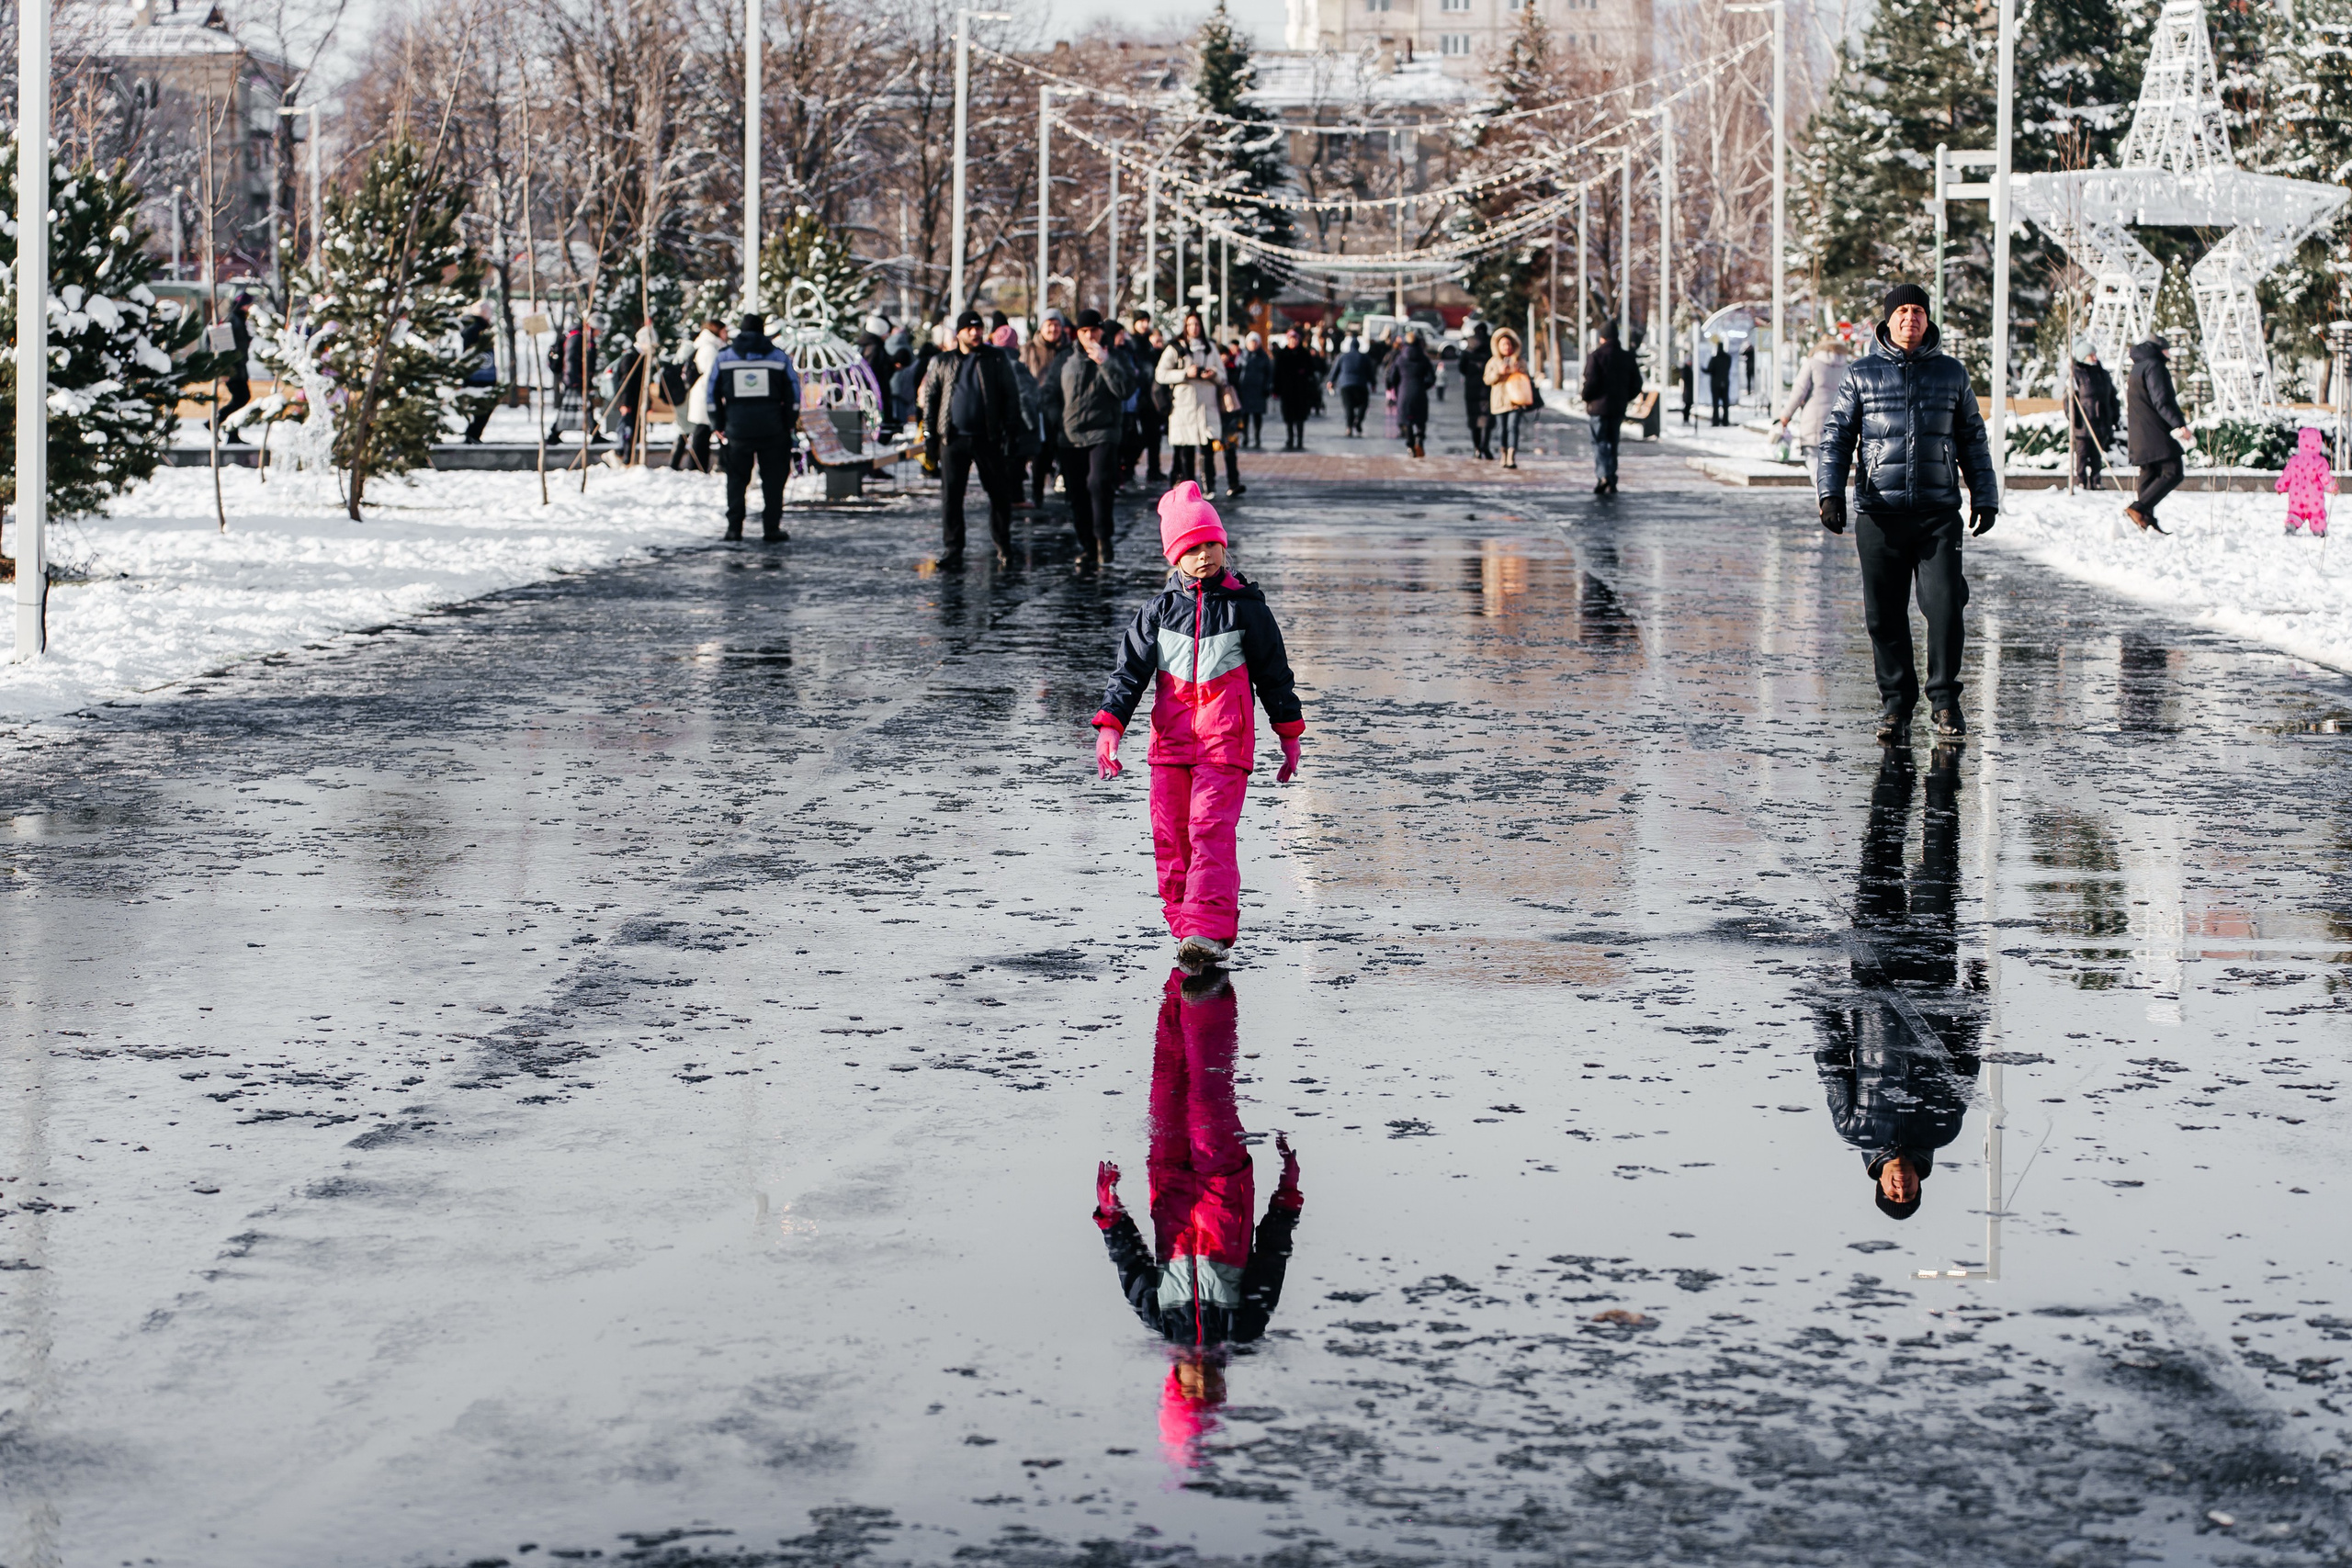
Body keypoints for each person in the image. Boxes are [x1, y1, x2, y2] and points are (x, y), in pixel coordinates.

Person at [1092, 968, 1301, 1472]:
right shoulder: (1246, 1327)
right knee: (1207, 1096)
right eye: (1212, 1390)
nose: (1204, 1381)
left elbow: (1130, 1262)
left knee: (1168, 1081)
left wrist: (1109, 1212)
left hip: (1169, 1186)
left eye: (1194, 1390)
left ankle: (1179, 985)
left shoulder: (1159, 1319)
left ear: (1175, 1385)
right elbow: (1271, 1259)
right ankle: (1210, 997)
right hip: (1224, 1189)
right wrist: (1286, 1196)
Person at [1092, 483, 1304, 970]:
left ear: (1223, 545)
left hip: (1224, 745)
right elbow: (1129, 674)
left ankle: (1207, 929)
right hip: (1169, 747)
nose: (1204, 555)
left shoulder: (1247, 609)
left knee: (1209, 831)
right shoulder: (1157, 612)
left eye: (1211, 543)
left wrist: (1288, 734)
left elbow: (1275, 675)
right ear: (1175, 556)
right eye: (1192, 548)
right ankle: (1186, 924)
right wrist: (1111, 726)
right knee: (1171, 838)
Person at [1815, 282, 1998, 745]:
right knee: (1884, 616)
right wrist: (1830, 493)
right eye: (1902, 312)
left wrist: (1985, 495)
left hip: (1938, 516)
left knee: (1945, 607)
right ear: (1888, 319)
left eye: (1917, 311)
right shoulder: (1862, 374)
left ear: (1927, 318)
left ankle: (1945, 701)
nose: (1909, 318)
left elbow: (1973, 439)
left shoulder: (1951, 374)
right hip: (1880, 514)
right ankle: (1897, 706)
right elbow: (1837, 437)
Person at [1815, 746, 1979, 1221]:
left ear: (1880, 1186)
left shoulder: (1855, 1129)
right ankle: (1943, 772)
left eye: (1893, 1194)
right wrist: (1976, 999)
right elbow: (1964, 1064)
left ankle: (1895, 759)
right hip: (1933, 974)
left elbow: (1833, 1062)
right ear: (1919, 1186)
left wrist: (1825, 1002)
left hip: (1875, 979)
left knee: (1879, 853)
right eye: (1908, 1194)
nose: (1901, 1187)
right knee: (1940, 862)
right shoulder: (1943, 1131)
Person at [918, 310, 1023, 568]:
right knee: (951, 496)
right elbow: (931, 400)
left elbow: (1011, 395)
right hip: (953, 439)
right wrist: (930, 436)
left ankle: (1003, 544)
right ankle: (953, 548)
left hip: (988, 438)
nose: (975, 333)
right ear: (959, 333)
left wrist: (1011, 430)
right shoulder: (943, 361)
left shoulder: (995, 358)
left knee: (999, 494)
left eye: (979, 328)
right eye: (970, 329)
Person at [705, 311, 800, 543]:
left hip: (737, 429)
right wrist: (788, 423)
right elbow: (794, 393)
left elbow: (711, 392)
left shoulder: (724, 357)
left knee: (736, 479)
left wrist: (718, 423)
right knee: (773, 480)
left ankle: (734, 528)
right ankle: (771, 528)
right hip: (773, 429)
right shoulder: (779, 357)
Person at [1058, 309, 1133, 566]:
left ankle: (1103, 538)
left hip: (1103, 432)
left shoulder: (1116, 356)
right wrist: (1053, 417)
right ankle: (1087, 544)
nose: (1089, 336)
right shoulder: (1065, 358)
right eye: (1084, 331)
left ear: (1101, 331)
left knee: (1098, 484)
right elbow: (1050, 392)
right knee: (1076, 491)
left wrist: (1106, 362)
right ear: (1077, 333)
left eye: (1094, 330)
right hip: (1070, 435)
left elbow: (1125, 390)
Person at [1156, 312, 1229, 499]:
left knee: (1207, 448)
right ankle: (1189, 490)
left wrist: (1213, 374)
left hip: (1207, 406)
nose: (1193, 328)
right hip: (1184, 406)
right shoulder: (1175, 348)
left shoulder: (1210, 348)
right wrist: (1185, 373)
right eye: (1190, 325)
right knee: (1185, 450)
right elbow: (1161, 374)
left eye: (1196, 324)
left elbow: (1223, 376)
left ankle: (1209, 487)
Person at [2126, 335, 2193, 534]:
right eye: (2167, 349)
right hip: (2154, 429)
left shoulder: (2138, 366)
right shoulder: (2155, 366)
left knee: (2150, 472)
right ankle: (2139, 508)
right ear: (2159, 349)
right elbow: (2161, 400)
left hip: (2139, 430)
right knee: (2173, 471)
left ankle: (2146, 521)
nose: (2169, 354)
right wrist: (2179, 425)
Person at [1578, 322, 1642, 496]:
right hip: (1617, 407)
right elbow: (1637, 383)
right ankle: (1611, 477)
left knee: (1599, 442)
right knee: (1613, 442)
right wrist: (1625, 397)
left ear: (1602, 337)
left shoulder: (1596, 356)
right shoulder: (1626, 357)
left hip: (1598, 407)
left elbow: (1590, 381)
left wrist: (1586, 396)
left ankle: (1603, 475)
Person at [1776, 336, 1852, 477]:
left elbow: (1798, 392)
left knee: (1814, 462)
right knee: (1834, 464)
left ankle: (1821, 489)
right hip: (1839, 422)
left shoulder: (1811, 364)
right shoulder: (1848, 368)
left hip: (1814, 421)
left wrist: (1785, 415)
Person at [995, 323, 1045, 508]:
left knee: (1007, 463)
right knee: (1016, 463)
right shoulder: (1016, 367)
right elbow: (1026, 396)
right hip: (1019, 425)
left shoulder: (993, 364)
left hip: (1000, 424)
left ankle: (1007, 496)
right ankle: (1016, 498)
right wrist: (1033, 424)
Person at [1024, 312, 1069, 507]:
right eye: (1049, 325)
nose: (1053, 329)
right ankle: (1037, 495)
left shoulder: (1069, 350)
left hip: (1066, 410)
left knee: (1067, 454)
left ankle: (1070, 496)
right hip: (1039, 410)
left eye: (1056, 325)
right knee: (1040, 455)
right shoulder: (1030, 349)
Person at [670, 317, 725, 471]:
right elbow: (711, 377)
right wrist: (717, 395)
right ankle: (698, 467)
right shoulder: (710, 349)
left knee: (703, 432)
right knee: (703, 432)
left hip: (702, 396)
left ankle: (700, 466)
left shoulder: (708, 346)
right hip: (704, 397)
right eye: (724, 331)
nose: (726, 334)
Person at [1483, 327, 1539, 470]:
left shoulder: (1519, 361)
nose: (1507, 347)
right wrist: (1499, 372)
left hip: (1516, 401)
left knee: (1512, 427)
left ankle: (1511, 455)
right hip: (1499, 401)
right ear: (1498, 346)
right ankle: (1503, 453)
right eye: (1503, 345)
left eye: (1509, 344)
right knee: (1502, 429)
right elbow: (1487, 380)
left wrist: (1519, 371)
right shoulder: (1493, 362)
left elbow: (1527, 378)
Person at [2068, 341, 2120, 491]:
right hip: (2084, 422)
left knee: (2097, 454)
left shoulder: (2103, 374)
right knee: (2082, 454)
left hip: (2102, 420)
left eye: (2095, 354)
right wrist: (2074, 419)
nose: (2095, 358)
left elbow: (2112, 397)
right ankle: (2081, 480)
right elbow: (2070, 400)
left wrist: (2114, 416)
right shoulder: (2076, 374)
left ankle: (2096, 481)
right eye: (2091, 355)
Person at [2278, 425, 2337, 536]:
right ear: (2318, 443)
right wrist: (2331, 486)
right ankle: (2319, 529)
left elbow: (2286, 476)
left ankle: (2291, 525)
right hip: (2314, 497)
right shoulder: (2319, 461)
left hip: (2296, 496)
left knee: (2295, 512)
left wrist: (2280, 486)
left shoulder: (2294, 461)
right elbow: (2325, 477)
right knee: (2316, 514)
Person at [547, 319, 596, 444]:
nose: (599, 333)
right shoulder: (577, 337)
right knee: (572, 407)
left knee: (582, 406)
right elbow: (571, 359)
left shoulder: (583, 337)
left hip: (576, 378)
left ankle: (595, 432)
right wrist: (575, 379)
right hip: (575, 380)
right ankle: (554, 434)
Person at [1385, 333, 1434, 459]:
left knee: (1407, 421)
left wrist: (1398, 387)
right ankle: (1420, 440)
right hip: (1420, 392)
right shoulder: (1424, 358)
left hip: (1404, 393)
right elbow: (1431, 378)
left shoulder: (1400, 359)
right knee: (1420, 419)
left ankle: (1410, 445)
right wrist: (1423, 386)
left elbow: (1392, 377)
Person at [1272, 328, 1318, 452]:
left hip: (1301, 391)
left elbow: (1311, 370)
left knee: (1300, 417)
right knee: (1288, 417)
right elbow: (1276, 373)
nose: (1293, 342)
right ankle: (1290, 439)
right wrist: (1276, 390)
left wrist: (1305, 373)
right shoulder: (1282, 354)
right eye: (1291, 339)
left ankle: (1300, 440)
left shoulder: (1304, 353)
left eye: (1295, 339)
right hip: (1286, 391)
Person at [217, 292, 254, 443]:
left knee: (241, 398)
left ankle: (232, 433)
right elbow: (223, 345)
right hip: (233, 368)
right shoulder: (232, 319)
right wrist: (225, 369)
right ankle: (215, 421)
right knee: (241, 398)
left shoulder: (239, 319)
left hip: (239, 367)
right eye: (248, 304)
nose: (250, 307)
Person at [1460, 323, 1494, 460]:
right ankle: (1485, 445)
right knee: (1487, 418)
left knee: (1474, 418)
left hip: (1471, 388)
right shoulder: (1491, 347)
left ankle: (1477, 448)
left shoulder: (1468, 349)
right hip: (1488, 387)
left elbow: (1462, 368)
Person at [1234, 332, 1272, 449]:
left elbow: (1269, 373)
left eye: (1255, 342)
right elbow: (1236, 371)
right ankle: (1245, 437)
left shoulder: (1263, 357)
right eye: (1251, 342)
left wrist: (1267, 386)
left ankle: (1257, 437)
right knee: (1244, 416)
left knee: (1257, 416)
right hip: (1244, 389)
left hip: (1259, 390)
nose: (1253, 344)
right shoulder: (1242, 356)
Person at [1329, 334, 1372, 436]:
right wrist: (1373, 383)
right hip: (1360, 384)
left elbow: (1335, 370)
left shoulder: (1342, 357)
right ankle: (1358, 421)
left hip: (1345, 385)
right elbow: (1370, 372)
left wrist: (1331, 381)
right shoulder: (1364, 357)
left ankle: (1349, 427)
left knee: (1349, 407)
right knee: (1363, 404)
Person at [1704, 339, 1734, 426]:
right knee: (1725, 404)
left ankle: (1716, 421)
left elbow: (1709, 370)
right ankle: (1725, 421)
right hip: (1725, 383)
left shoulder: (1715, 359)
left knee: (1716, 404)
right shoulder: (1728, 358)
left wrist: (1702, 369)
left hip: (1715, 384)